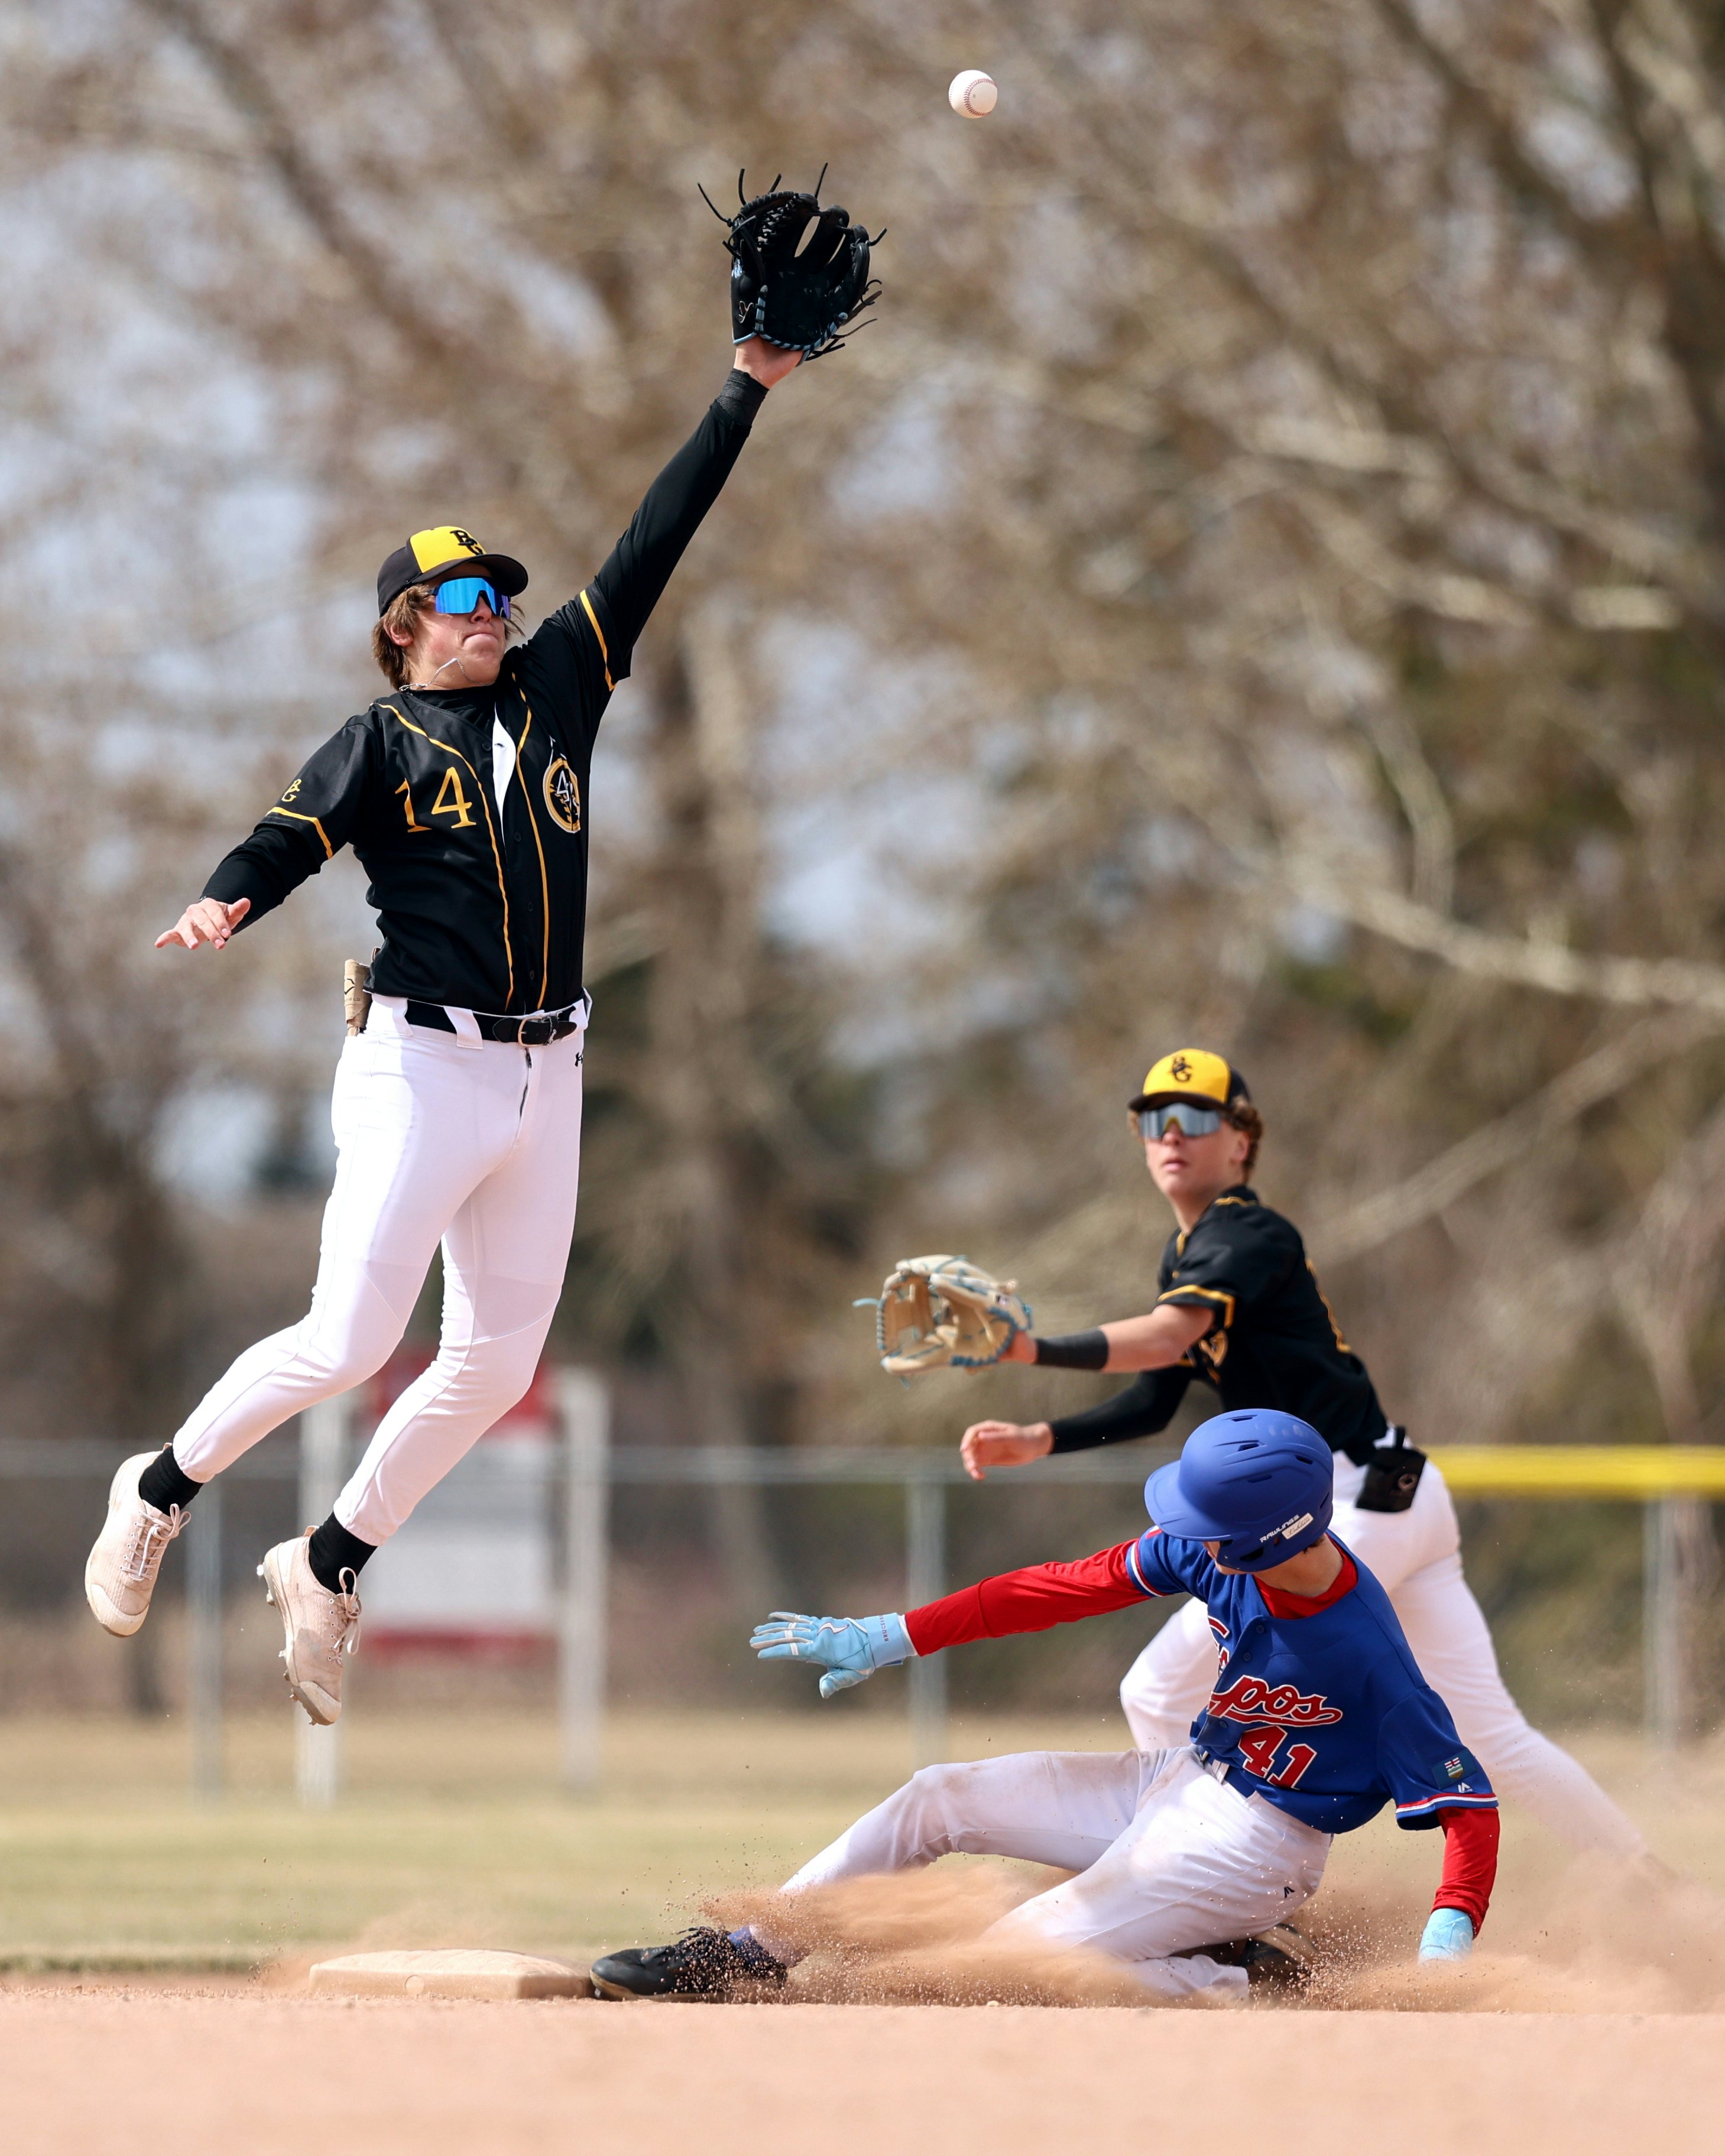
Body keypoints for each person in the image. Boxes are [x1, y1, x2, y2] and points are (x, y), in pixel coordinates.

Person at [82, 327, 805, 1725]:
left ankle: (330, 1561)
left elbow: (655, 540)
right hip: (421, 1065)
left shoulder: (559, 692)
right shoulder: (378, 739)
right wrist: (229, 900)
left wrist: (745, 387)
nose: (489, 611)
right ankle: (159, 1487)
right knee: (351, 1340)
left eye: (498, 595)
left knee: (494, 1362)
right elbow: (289, 833)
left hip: (551, 1075)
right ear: (403, 624)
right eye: (459, 594)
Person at [955, 1047, 1648, 1861]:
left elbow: (1170, 1335)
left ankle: (1201, 1882)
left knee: (1153, 1688)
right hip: (1393, 1492)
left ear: (1241, 1140)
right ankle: (1661, 1891)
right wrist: (1042, 1437)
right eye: (1153, 1119)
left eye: (1197, 1117)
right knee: (1496, 1734)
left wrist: (1029, 1349)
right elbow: (1158, 1389)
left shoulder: (1248, 1231)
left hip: (1350, 1506)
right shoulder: (1187, 1256)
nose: (1171, 1134)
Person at [587, 1410, 1500, 2003]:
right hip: (1180, 1782)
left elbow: (1469, 1807)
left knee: (1008, 1959)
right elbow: (1058, 1588)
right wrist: (894, 1635)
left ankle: (1229, 1978)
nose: (1185, 1538)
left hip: (1259, 1847)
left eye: (1207, 1529)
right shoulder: (1220, 1553)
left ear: (1270, 1538)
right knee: (937, 1794)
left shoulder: (1363, 1651)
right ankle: (751, 1953)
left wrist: (1447, 1939)